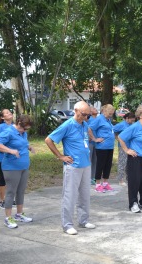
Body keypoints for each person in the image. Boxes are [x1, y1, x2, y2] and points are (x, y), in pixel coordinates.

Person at [45, 101, 96, 235]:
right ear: (76, 111)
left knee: (85, 195)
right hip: (73, 166)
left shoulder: (84, 124)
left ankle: (83, 220)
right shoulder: (67, 125)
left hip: (86, 164)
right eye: (83, 115)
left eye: (88, 116)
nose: (85, 118)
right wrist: (60, 156)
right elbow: (48, 140)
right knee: (70, 195)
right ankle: (67, 225)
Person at [0, 115, 34, 229]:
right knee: (11, 192)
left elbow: (22, 143)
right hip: (11, 167)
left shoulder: (23, 133)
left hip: (24, 166)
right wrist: (10, 150)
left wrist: (29, 147)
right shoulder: (9, 132)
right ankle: (8, 218)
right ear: (19, 123)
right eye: (24, 128)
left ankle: (19, 214)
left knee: (21, 191)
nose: (25, 131)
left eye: (27, 129)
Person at [118, 105, 142, 213]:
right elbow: (121, 137)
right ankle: (133, 203)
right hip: (136, 158)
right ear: (140, 115)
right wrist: (127, 150)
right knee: (135, 181)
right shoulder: (135, 127)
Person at [88, 104, 115, 193]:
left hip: (110, 146)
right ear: (104, 111)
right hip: (102, 147)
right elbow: (89, 128)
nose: (111, 114)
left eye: (112, 113)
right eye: (109, 112)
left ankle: (105, 183)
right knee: (100, 165)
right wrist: (95, 139)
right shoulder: (99, 119)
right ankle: (98, 184)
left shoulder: (108, 120)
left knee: (108, 165)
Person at [114, 112, 136, 186]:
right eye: (131, 120)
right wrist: (117, 138)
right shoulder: (121, 125)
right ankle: (120, 179)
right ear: (127, 118)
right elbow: (114, 131)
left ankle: (128, 178)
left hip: (131, 147)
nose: (132, 121)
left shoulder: (132, 125)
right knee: (122, 163)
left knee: (129, 164)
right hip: (123, 147)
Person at [89, 106, 99, 185]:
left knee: (95, 160)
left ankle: (94, 177)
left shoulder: (98, 119)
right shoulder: (89, 120)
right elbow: (87, 129)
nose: (95, 109)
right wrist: (89, 137)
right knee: (89, 160)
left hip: (97, 143)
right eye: (93, 109)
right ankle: (88, 177)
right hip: (90, 143)